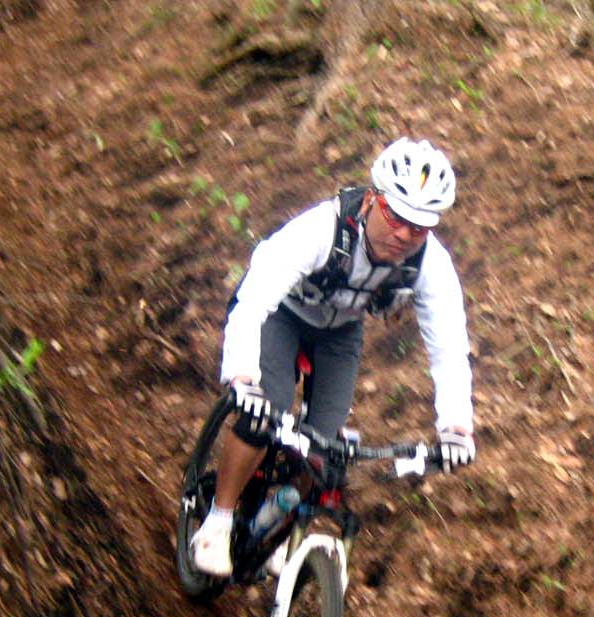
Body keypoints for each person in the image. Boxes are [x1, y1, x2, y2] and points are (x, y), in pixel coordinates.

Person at [189, 137, 477, 578]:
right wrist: (243, 375)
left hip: (340, 331)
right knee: (269, 408)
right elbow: (255, 298)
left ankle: (270, 519)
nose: (405, 234)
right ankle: (219, 519)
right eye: (396, 217)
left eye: (419, 228)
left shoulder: (430, 265)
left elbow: (449, 347)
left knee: (324, 449)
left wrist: (455, 426)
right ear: (372, 201)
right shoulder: (322, 229)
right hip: (282, 314)